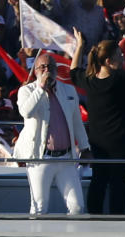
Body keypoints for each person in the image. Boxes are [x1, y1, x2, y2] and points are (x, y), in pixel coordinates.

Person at [69, 24, 125, 215]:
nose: (123, 58)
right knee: (118, 185)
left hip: (98, 143)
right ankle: (117, 225)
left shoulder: (88, 81)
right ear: (108, 61)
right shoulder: (119, 80)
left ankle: (93, 220)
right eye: (119, 55)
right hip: (121, 142)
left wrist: (79, 45)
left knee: (98, 181)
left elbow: (73, 72)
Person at [14, 51, 91, 215]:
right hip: (40, 158)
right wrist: (41, 88)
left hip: (66, 157)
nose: (47, 70)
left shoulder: (69, 90)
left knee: (77, 207)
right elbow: (26, 112)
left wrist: (84, 147)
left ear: (56, 69)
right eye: (42, 67)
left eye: (50, 66)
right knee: (39, 207)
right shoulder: (26, 91)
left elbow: (77, 121)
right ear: (35, 71)